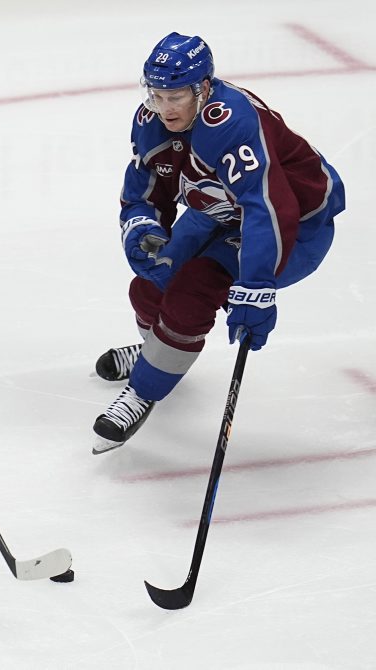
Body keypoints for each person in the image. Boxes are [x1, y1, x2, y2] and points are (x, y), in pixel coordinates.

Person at [92, 33, 344, 454]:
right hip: (220, 210)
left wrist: (257, 285)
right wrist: (142, 228)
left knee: (193, 292)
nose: (164, 107)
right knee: (152, 282)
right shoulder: (150, 120)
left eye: (176, 96)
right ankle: (157, 350)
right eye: (156, 94)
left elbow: (267, 206)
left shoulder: (230, 122)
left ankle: (144, 391)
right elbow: (143, 192)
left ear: (203, 88)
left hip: (294, 224)